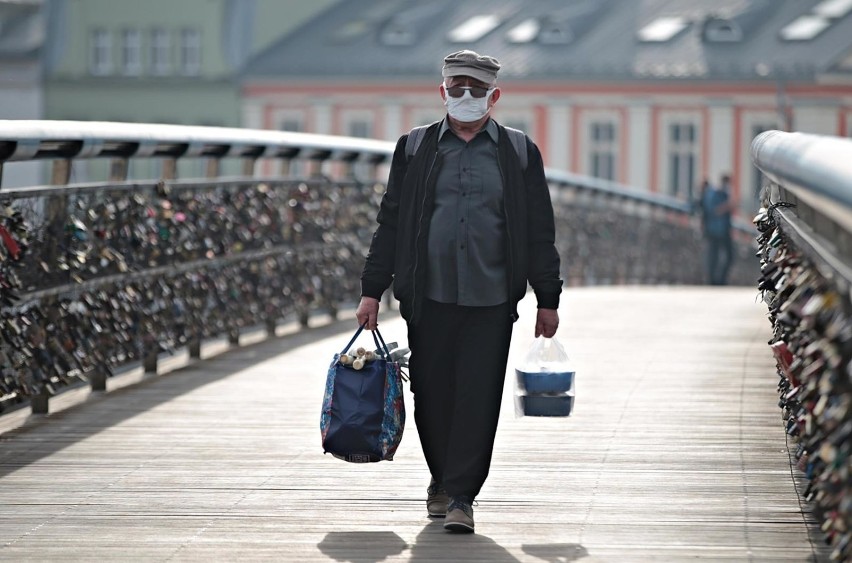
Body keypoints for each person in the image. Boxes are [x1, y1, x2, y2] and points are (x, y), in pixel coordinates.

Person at [355, 50, 563, 534]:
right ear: (442, 92)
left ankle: (462, 495)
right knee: (431, 393)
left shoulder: (518, 151)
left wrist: (547, 297)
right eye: (457, 88)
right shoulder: (415, 148)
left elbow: (538, 230)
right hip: (428, 295)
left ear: (495, 96)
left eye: (476, 89)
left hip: (492, 297)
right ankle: (440, 477)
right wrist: (372, 290)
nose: (465, 97)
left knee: (478, 394)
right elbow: (391, 222)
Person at [697, 174, 734, 285]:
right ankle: (714, 281)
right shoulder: (713, 194)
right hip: (714, 230)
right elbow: (713, 211)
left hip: (721, 230)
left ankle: (718, 280)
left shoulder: (722, 194)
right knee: (714, 256)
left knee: (722, 256)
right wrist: (727, 206)